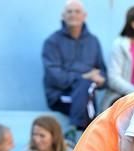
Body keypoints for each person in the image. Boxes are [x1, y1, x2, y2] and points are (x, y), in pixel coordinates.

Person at [42, 0, 106, 132]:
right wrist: (84, 76)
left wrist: (101, 79)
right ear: (63, 16)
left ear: (84, 15)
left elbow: (102, 72)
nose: (73, 15)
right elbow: (56, 78)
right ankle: (83, 132)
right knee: (85, 86)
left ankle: (76, 132)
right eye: (69, 12)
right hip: (59, 96)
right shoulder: (52, 42)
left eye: (77, 11)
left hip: (85, 94)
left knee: (86, 88)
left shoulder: (93, 41)